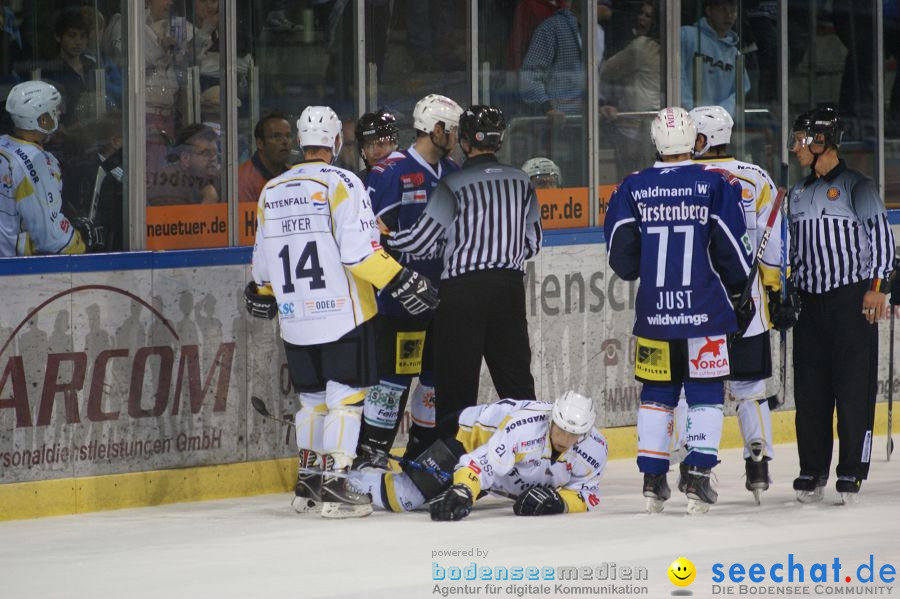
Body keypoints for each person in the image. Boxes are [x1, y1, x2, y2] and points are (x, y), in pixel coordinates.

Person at [246, 105, 440, 518]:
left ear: (300, 141)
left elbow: (262, 263)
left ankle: (309, 481)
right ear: (337, 142)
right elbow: (359, 254)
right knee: (345, 401)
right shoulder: (343, 182)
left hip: (295, 318)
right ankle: (336, 484)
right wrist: (402, 279)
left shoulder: (272, 190)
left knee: (312, 401)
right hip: (342, 314)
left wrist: (262, 291)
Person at [603, 106, 753, 514]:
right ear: (694, 140)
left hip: (655, 313)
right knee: (704, 394)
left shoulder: (632, 187)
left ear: (655, 141)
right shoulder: (715, 184)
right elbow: (733, 253)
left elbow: (621, 258)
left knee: (657, 394)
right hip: (705, 312)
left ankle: (653, 480)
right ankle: (699, 478)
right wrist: (742, 291)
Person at [386, 105, 543, 447]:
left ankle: (451, 468)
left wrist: (387, 237)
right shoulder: (520, 181)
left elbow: (422, 243)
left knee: (456, 386)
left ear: (467, 142)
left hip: (460, 294)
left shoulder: (452, 181)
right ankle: (532, 459)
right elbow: (533, 243)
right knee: (516, 382)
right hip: (508, 291)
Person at [673, 105, 797, 502]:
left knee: (687, 389)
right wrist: (776, 290)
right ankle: (757, 460)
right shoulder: (757, 176)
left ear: (702, 139)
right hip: (748, 304)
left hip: (694, 303)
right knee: (750, 387)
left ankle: (690, 460)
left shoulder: (682, 177)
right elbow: (774, 245)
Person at [787, 107, 895, 504]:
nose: (795, 148)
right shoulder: (797, 193)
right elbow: (793, 251)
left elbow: (883, 242)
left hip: (851, 302)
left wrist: (877, 288)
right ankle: (811, 468)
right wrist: (787, 290)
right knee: (811, 393)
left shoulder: (858, 186)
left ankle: (851, 470)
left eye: (801, 140)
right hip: (810, 306)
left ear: (822, 143)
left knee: (852, 391)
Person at [357, 95, 461, 461]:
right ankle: (371, 453)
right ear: (436, 130)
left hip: (440, 300)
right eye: (452, 129)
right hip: (397, 301)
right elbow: (366, 234)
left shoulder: (451, 172)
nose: (457, 136)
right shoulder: (391, 171)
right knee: (391, 384)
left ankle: (422, 450)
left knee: (433, 381)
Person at [351, 392, 606, 519]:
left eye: (574, 435)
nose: (565, 439)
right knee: (406, 497)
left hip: (500, 468)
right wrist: (463, 489)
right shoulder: (524, 428)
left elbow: (586, 492)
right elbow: (480, 465)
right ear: (551, 419)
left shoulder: (595, 449)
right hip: (466, 435)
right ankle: (348, 479)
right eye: (560, 430)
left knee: (447, 497)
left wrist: (561, 504)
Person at [0, 81, 99, 257]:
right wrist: (79, 243)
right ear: (42, 119)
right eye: (54, 110)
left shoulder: (3, 145)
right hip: (17, 270)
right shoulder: (36, 164)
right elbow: (50, 236)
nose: (59, 114)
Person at [599, 0, 661, 178]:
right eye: (641, 14)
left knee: (629, 182)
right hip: (659, 128)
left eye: (648, 16)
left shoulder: (642, 46)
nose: (642, 18)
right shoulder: (672, 48)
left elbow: (608, 70)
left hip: (633, 128)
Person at [680, 0, 751, 116]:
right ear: (709, 11)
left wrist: (718, 115)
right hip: (685, 120)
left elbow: (741, 90)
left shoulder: (735, 55)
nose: (728, 16)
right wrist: (690, 111)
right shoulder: (686, 36)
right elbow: (678, 76)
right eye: (723, 10)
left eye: (733, 11)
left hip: (717, 126)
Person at [43, 11, 98, 127]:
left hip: (93, 128)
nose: (78, 42)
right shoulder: (51, 69)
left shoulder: (91, 65)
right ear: (58, 37)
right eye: (72, 35)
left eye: (83, 36)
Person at [147, 124, 220, 205]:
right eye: (206, 153)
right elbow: (176, 217)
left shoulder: (213, 178)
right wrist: (209, 199)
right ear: (185, 158)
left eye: (215, 153)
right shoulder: (169, 182)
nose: (213, 158)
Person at [238, 112, 292, 205]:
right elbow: (245, 218)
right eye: (276, 136)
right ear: (260, 143)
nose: (285, 141)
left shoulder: (292, 173)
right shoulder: (243, 178)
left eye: (288, 136)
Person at [354, 107, 399, 179]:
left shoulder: (412, 178)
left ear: (394, 145)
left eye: (381, 144)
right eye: (369, 145)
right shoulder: (356, 183)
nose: (375, 152)